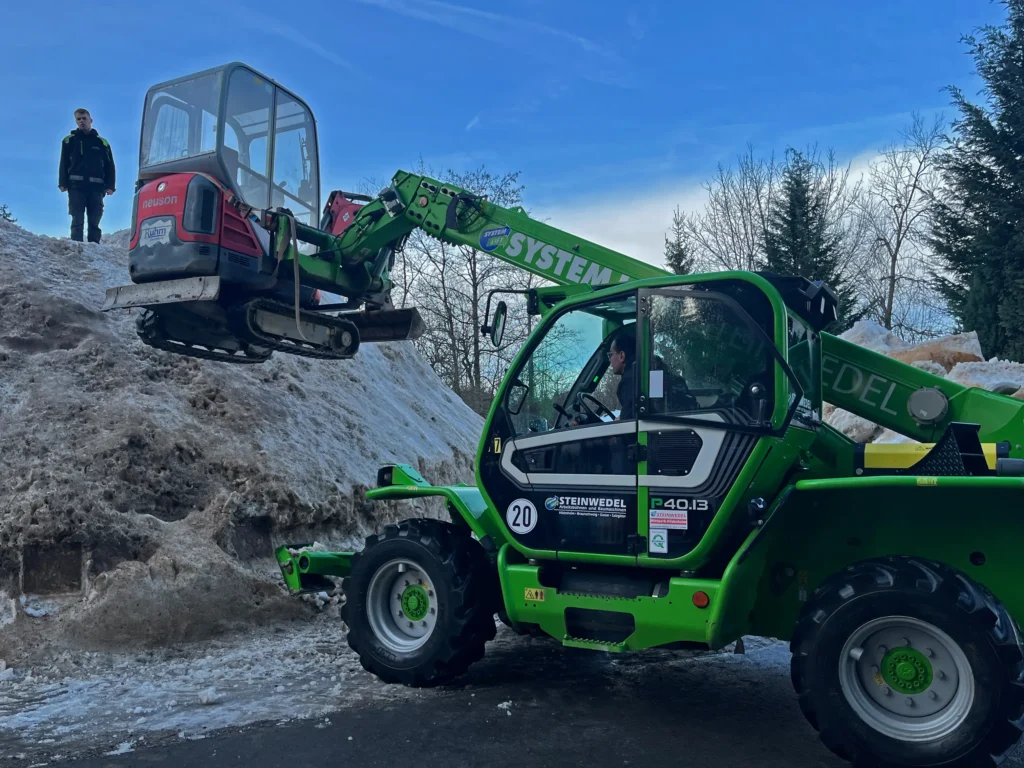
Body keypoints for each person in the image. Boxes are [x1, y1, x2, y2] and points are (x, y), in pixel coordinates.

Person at [58, 108, 115, 243]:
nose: (81, 121)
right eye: (78, 119)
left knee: (95, 219)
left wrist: (110, 185)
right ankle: (77, 246)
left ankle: (94, 246)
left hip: (97, 187)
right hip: (75, 186)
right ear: (76, 122)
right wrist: (62, 182)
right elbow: (63, 163)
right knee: (77, 218)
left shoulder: (102, 142)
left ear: (91, 120)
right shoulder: (69, 141)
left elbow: (110, 165)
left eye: (84, 118)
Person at [608, 326, 636, 420]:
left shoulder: (629, 381)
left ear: (621, 356)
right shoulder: (640, 374)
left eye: (611, 355)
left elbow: (628, 421)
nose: (610, 360)